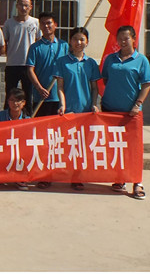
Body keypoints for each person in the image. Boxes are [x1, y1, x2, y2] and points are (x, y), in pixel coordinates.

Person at [101, 25, 150, 199]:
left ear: (133, 39)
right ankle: (120, 178)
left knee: (133, 149)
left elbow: (147, 84)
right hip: (110, 110)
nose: (123, 41)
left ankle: (137, 182)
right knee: (115, 147)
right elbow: (106, 79)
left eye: (126, 38)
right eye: (120, 38)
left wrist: (137, 103)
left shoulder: (141, 60)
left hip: (131, 113)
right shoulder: (110, 59)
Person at [54, 26, 101, 191]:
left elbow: (94, 87)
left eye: (82, 39)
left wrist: (94, 104)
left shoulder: (91, 63)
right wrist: (62, 104)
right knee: (65, 144)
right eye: (75, 39)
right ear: (70, 41)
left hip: (86, 111)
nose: (78, 42)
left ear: (87, 42)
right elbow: (60, 86)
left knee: (81, 145)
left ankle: (77, 177)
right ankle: (58, 174)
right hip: (69, 111)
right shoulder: (62, 62)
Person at [2, 0, 41, 113]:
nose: (23, 8)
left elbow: (38, 42)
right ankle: (7, 118)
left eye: (26, 5)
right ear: (17, 6)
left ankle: (28, 117)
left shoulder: (35, 22)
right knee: (10, 94)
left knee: (28, 94)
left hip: (29, 65)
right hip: (12, 64)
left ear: (31, 7)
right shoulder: (9, 23)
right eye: (21, 5)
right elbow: (4, 43)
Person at [26, 11, 70, 117]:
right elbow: (30, 70)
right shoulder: (35, 47)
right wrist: (39, 88)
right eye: (43, 23)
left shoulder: (63, 46)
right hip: (41, 97)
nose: (46, 26)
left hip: (60, 97)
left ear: (55, 25)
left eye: (49, 23)